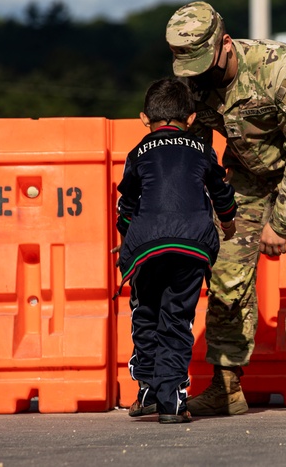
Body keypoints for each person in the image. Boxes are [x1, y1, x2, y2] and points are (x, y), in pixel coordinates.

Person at [166, 1, 286, 418]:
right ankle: (226, 385)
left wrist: (280, 223)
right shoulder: (195, 77)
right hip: (252, 171)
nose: (199, 75)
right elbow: (196, 142)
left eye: (205, 62)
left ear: (227, 45)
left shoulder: (283, 70)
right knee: (225, 270)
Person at [115, 77, 238, 424]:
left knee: (146, 313)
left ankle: (149, 390)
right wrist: (228, 224)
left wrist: (127, 237)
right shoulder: (203, 150)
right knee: (176, 320)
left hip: (146, 246)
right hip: (192, 244)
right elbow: (221, 193)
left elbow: (127, 205)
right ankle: (171, 401)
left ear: (144, 118)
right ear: (192, 118)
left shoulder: (137, 153)